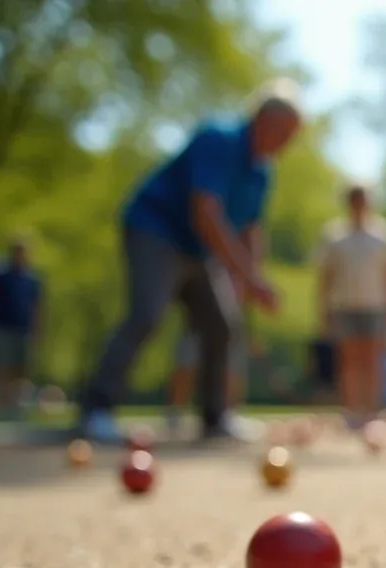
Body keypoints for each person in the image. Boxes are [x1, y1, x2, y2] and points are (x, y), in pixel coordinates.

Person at [77, 78, 301, 444]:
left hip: (199, 250)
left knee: (222, 325)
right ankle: (95, 410)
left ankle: (215, 417)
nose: (287, 143)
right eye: (284, 132)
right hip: (156, 231)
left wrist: (252, 278)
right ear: (262, 119)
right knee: (147, 314)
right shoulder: (219, 138)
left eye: (292, 136)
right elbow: (205, 213)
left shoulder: (262, 171)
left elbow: (250, 229)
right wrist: (246, 274)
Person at [317, 185, 386, 428]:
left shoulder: (384, 233)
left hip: (376, 305)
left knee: (373, 360)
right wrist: (324, 310)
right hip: (345, 305)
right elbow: (326, 275)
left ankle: (372, 411)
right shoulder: (334, 234)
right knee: (349, 360)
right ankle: (352, 410)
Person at [165, 297, 253, 434]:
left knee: (232, 369)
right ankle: (174, 412)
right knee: (186, 367)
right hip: (197, 318)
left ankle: (228, 415)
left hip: (233, 318)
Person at [0, 237, 43, 419]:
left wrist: (37, 331)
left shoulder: (32, 280)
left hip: (24, 329)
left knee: (21, 370)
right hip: (3, 328)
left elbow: (37, 307)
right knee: (3, 368)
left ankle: (18, 408)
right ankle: (1, 408)